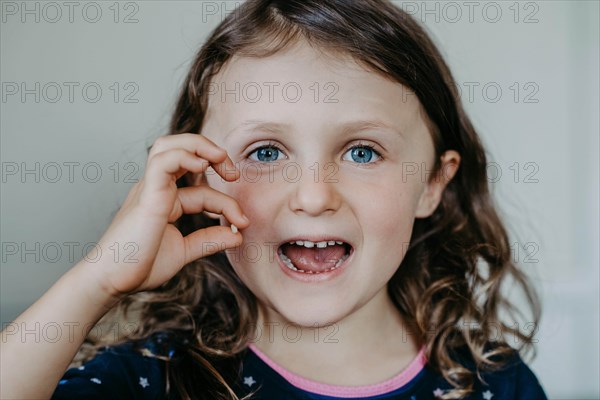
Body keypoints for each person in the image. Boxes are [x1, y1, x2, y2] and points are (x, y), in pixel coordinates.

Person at [0, 0, 549, 399]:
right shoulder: (153, 378)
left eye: (361, 152)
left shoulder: (495, 384)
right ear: (200, 182)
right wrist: (98, 279)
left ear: (432, 182)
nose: (313, 196)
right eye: (265, 153)